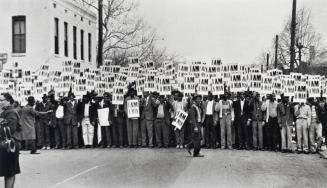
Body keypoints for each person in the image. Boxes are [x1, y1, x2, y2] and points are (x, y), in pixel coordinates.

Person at [0, 93, 20, 188]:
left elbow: (10, 129)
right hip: (5, 144)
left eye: (1, 100)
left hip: (9, 145)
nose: (0, 102)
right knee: (8, 170)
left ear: (8, 100)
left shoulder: (11, 112)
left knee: (9, 171)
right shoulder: (4, 111)